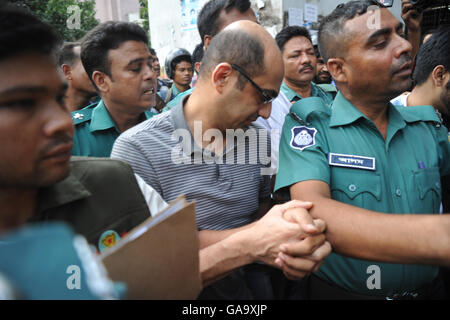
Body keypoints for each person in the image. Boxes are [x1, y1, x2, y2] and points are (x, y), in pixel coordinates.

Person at [111, 20, 332, 299]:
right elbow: (152, 258)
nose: (266, 113)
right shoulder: (138, 149)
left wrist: (290, 233)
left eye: (273, 100)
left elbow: (262, 211)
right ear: (222, 77)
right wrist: (258, 239)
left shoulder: (259, 138)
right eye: (264, 96)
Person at [275, 0, 450, 299]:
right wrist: (438, 237)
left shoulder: (428, 127)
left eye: (400, 33)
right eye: (381, 42)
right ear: (339, 70)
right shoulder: (311, 126)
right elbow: (313, 211)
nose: (404, 46)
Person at [0, 3, 168, 299]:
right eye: (23, 103)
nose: (59, 123)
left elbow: (175, 267)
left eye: (57, 99)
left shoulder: (117, 181)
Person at [71, 21, 158, 157]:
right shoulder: (71, 137)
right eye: (136, 68)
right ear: (101, 81)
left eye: (150, 65)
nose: (150, 75)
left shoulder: (166, 129)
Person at [255, 26, 334, 176]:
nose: (306, 60)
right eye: (295, 55)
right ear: (278, 60)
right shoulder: (270, 104)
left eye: (310, 53)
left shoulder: (330, 97)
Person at [163, 0, 257, 111]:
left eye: (256, 31)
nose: (252, 43)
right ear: (210, 44)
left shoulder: (268, 101)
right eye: (238, 36)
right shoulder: (175, 112)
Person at [58, 42, 98, 112]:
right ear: (67, 72)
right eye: (90, 64)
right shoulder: (47, 119)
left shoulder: (107, 113)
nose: (100, 72)